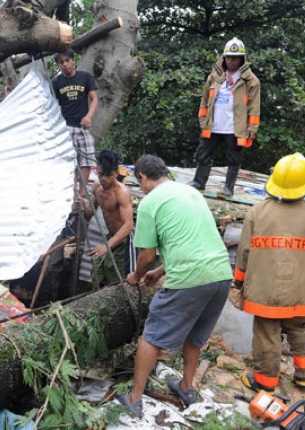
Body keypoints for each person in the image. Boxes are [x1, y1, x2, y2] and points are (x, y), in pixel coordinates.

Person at [116, 154, 232, 417]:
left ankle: (134, 398)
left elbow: (146, 254)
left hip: (189, 279)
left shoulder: (149, 203)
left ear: (143, 177)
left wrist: (136, 275)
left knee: (152, 337)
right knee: (195, 336)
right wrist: (158, 272)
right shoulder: (190, 192)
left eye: (140, 181)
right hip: (221, 274)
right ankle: (187, 387)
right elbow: (191, 241)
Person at [234, 153, 305, 394]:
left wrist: (239, 283)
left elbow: (243, 253)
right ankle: (303, 378)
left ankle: (265, 383)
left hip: (264, 293)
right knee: (301, 330)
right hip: (300, 292)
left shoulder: (256, 212)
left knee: (267, 335)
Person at [191, 37, 261, 197]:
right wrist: (202, 121)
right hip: (212, 124)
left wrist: (252, 128)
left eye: (235, 57)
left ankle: (228, 189)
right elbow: (204, 100)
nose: (231, 60)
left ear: (241, 59)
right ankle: (198, 183)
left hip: (234, 126)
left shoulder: (251, 81)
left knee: (233, 157)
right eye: (228, 57)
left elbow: (254, 107)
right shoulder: (214, 77)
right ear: (224, 57)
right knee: (203, 154)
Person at [79, 149, 134, 288]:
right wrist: (83, 207)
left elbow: (128, 225)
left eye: (108, 175)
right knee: (96, 275)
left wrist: (107, 246)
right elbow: (89, 213)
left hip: (122, 241)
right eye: (101, 174)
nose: (104, 179)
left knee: (117, 281)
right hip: (109, 237)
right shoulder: (97, 188)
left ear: (116, 173)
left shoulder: (121, 193)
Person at [52, 49, 99, 196]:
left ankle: (83, 192)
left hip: (84, 126)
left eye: (67, 61)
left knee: (86, 161)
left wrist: (89, 116)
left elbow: (94, 98)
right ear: (58, 65)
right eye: (61, 62)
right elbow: (52, 104)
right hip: (66, 127)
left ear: (73, 60)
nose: (65, 65)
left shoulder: (85, 77)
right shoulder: (56, 82)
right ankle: (72, 194)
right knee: (68, 161)